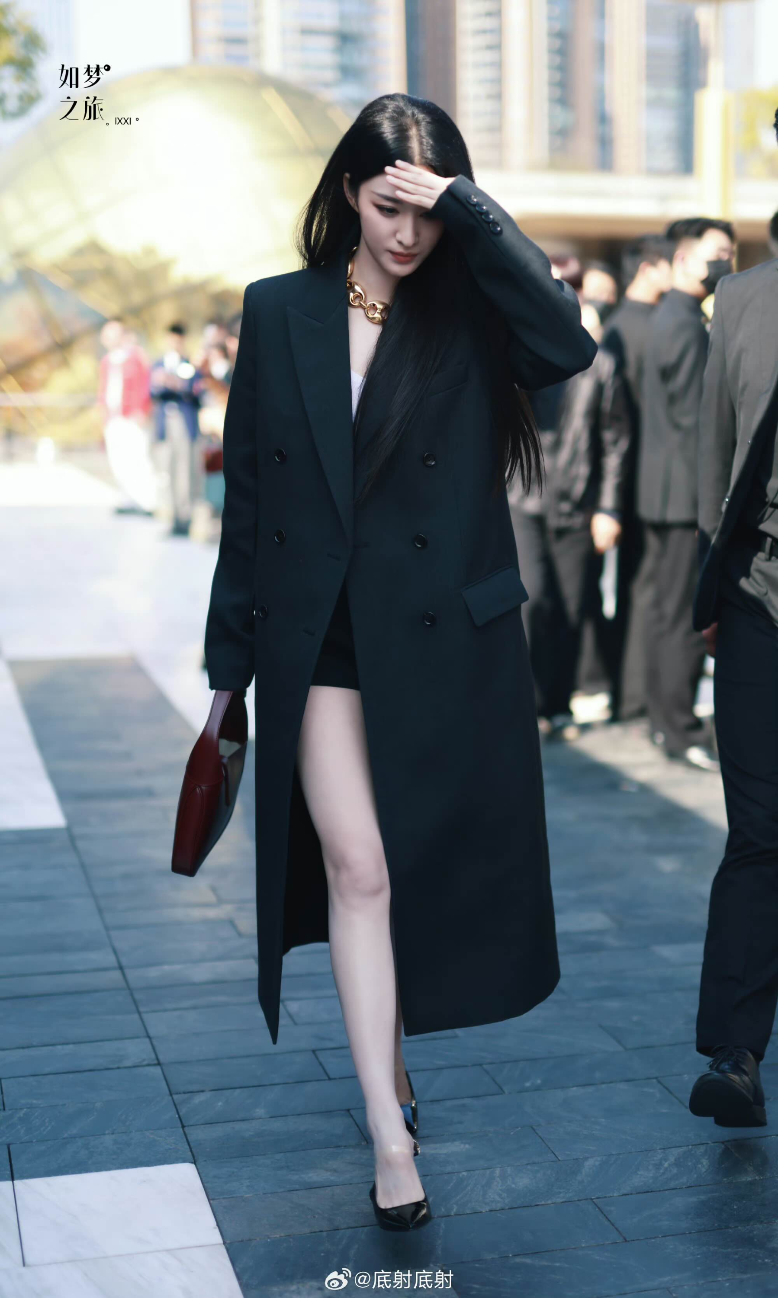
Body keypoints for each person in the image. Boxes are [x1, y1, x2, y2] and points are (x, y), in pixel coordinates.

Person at [203, 93, 596, 1232]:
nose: (407, 233)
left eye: (427, 210)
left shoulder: (471, 311)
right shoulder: (279, 310)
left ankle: (394, 1063)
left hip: (441, 637)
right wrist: (229, 663)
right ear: (347, 192)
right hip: (318, 633)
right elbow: (252, 496)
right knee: (360, 868)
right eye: (389, 206)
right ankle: (388, 1131)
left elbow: (566, 343)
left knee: (415, 869)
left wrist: (471, 209)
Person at [688, 110, 778, 1128]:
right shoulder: (744, 299)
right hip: (757, 594)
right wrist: (708, 593)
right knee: (758, 829)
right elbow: (714, 455)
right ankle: (736, 1052)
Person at [637, 216, 735, 771]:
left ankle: (662, 719)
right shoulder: (686, 325)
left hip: (660, 491)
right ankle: (678, 728)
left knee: (663, 611)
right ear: (681, 259)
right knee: (681, 616)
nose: (725, 262)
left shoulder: (666, 317)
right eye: (716, 253)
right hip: (680, 497)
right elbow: (699, 422)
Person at [511, 285, 631, 729]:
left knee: (572, 608)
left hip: (578, 502)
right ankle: (525, 701)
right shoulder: (519, 358)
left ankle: (557, 704)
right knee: (531, 599)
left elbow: (616, 443)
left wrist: (609, 509)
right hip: (521, 496)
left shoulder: (601, 365)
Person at [600, 235, 673, 720]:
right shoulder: (654, 326)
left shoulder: (614, 326)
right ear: (648, 268)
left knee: (631, 588)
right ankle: (637, 698)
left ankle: (627, 695)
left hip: (622, 478)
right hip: (645, 478)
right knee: (647, 590)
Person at [150, 323, 205, 537]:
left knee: (185, 472)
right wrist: (160, 382)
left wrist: (175, 383)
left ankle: (185, 517)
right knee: (168, 471)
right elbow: (151, 391)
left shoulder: (190, 365)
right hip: (165, 423)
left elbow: (196, 391)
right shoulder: (159, 364)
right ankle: (172, 516)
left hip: (184, 422)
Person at [97, 318, 155, 515]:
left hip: (132, 416)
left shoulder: (135, 357)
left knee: (138, 457)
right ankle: (128, 498)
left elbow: (144, 385)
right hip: (113, 417)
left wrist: (142, 409)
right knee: (118, 458)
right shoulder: (107, 361)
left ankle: (147, 501)